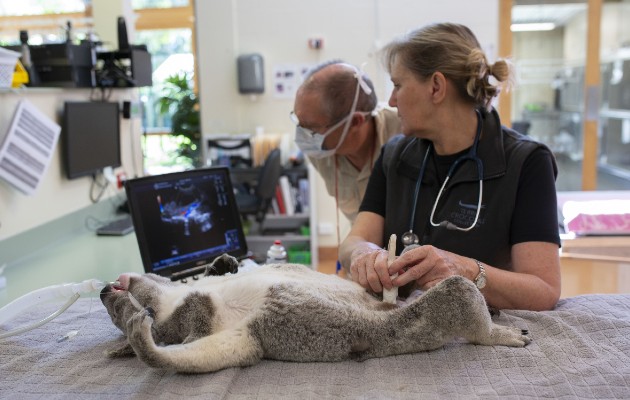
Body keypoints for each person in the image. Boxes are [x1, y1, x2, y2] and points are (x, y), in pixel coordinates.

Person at [339, 23, 561, 311]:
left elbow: (543, 290)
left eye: (397, 85)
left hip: (480, 332)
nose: (392, 101)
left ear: (436, 87)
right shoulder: (394, 155)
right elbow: (354, 240)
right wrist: (363, 254)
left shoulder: (526, 162)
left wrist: (467, 271)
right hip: (401, 326)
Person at [292, 60, 401, 223]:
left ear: (355, 122)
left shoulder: (404, 133)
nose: (303, 135)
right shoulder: (319, 150)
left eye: (311, 127)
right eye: (299, 123)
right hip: (364, 242)